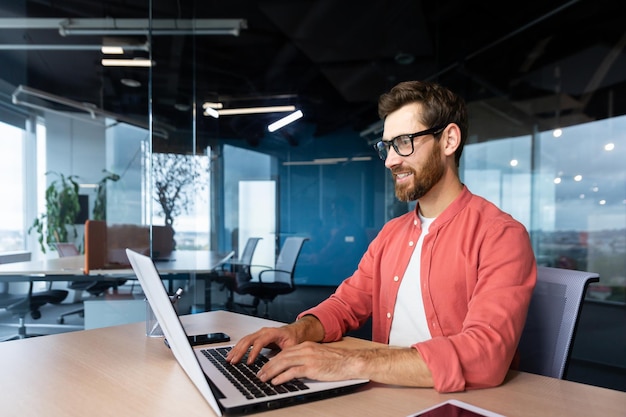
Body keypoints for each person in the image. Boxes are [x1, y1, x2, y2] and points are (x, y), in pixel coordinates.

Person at [226, 80, 537, 393]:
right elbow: (347, 304)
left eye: (404, 142)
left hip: (454, 401)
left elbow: (485, 355)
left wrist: (349, 362)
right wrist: (298, 331)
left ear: (449, 140)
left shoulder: (501, 236)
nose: (390, 160)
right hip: (386, 392)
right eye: (387, 146)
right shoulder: (392, 233)